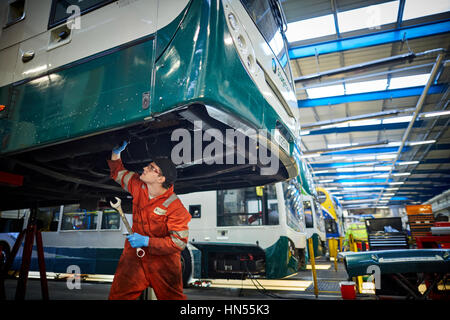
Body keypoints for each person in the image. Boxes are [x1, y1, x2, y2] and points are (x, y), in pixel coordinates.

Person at [107, 141, 191, 300]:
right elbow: (118, 172)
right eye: (148, 165)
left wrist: (146, 241)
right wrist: (116, 153)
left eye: (152, 168)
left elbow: (179, 242)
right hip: (135, 259)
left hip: (164, 263)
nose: (145, 168)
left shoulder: (176, 208)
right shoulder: (138, 185)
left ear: (161, 179)